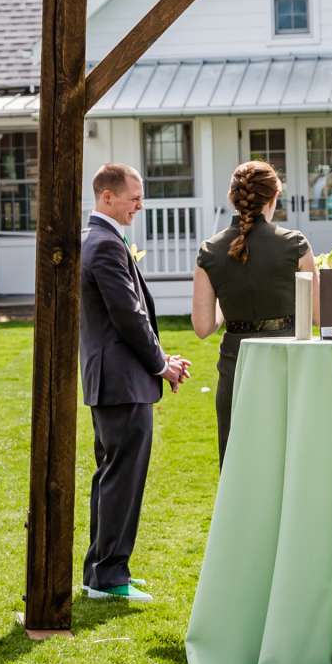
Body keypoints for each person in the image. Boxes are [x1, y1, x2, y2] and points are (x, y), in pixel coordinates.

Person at [79, 163, 187, 601]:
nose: (140, 205)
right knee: (122, 477)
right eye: (134, 197)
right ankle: (109, 577)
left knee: (111, 475)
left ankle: (100, 570)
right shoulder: (104, 244)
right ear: (107, 197)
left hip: (115, 380)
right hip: (121, 380)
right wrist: (161, 363)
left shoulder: (103, 239)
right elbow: (127, 314)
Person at [191, 159, 314, 460]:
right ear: (275, 196)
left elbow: (203, 327)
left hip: (237, 363)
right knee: (288, 457)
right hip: (288, 361)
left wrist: (229, 303)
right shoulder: (295, 244)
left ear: (232, 197)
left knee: (238, 460)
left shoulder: (210, 250)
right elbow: (320, 315)